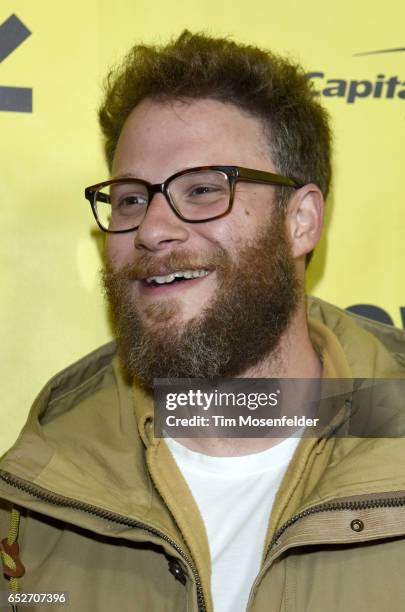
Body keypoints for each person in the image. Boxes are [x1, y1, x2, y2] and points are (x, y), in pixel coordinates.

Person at [1, 31, 405, 612]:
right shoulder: (35, 498)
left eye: (202, 190)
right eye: (132, 198)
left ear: (302, 221)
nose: (152, 229)